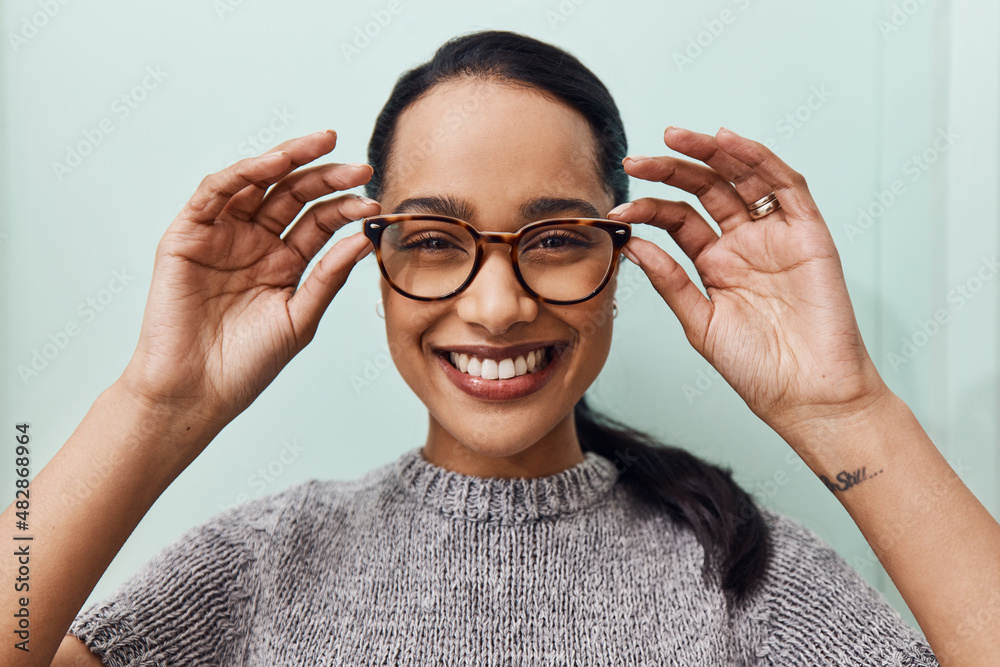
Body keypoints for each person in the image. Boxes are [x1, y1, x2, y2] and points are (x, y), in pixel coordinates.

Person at [3, 29, 997, 666]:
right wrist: (158, 403)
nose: (496, 303)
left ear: (620, 255)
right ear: (371, 256)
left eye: (556, 239)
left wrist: (844, 409)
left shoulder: (749, 577)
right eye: (434, 243)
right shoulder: (262, 564)